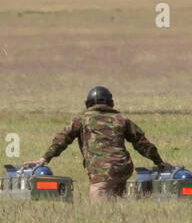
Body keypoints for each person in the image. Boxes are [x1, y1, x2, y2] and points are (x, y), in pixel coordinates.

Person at [31, 85, 168, 201]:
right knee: (114, 205)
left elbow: (62, 139)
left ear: (88, 104)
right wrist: (159, 162)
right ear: (110, 103)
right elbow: (142, 143)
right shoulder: (121, 119)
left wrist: (45, 158)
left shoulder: (82, 119)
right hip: (123, 168)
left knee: (98, 210)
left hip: (102, 171)